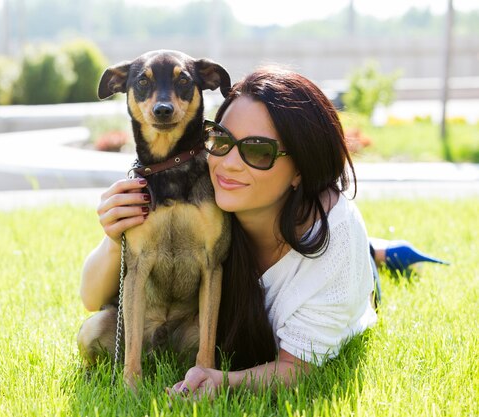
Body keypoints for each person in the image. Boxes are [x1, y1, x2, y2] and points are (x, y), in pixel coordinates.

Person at [79, 65, 443, 397]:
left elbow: (296, 369)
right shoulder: (209, 192)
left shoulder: (335, 249)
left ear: (300, 168)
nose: (227, 164)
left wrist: (223, 381)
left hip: (346, 279)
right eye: (221, 139)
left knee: (362, 265)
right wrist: (115, 239)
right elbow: (92, 300)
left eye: (257, 150)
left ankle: (376, 255)